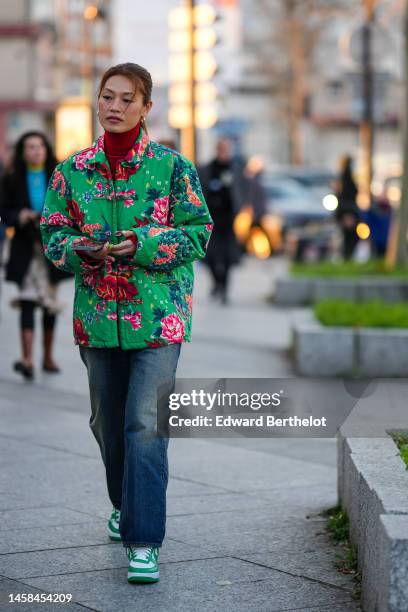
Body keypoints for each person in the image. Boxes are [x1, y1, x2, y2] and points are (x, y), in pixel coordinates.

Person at [40, 62, 213, 584]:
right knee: (109, 428)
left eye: (126, 99)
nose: (114, 107)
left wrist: (145, 244)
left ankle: (144, 541)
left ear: (146, 108)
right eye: (107, 97)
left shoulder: (172, 168)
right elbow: (52, 234)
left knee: (145, 427)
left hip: (159, 319)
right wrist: (81, 249)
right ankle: (123, 503)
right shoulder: (72, 170)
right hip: (96, 320)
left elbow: (198, 233)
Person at [0, 132, 70, 379]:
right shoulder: (11, 178)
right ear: (22, 151)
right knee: (27, 300)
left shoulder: (59, 176)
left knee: (49, 304)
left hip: (50, 247)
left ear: (46, 149)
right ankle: (27, 358)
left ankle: (48, 357)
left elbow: (69, 209)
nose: (36, 151)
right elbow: (4, 212)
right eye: (30, 147)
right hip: (24, 248)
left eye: (39, 146)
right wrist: (21, 215)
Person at [199, 138, 246, 303]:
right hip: (210, 219)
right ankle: (217, 282)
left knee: (227, 257)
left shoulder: (235, 169)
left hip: (228, 220)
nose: (225, 153)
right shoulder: (207, 169)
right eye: (222, 149)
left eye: (227, 149)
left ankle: (224, 289)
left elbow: (242, 191)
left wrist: (241, 210)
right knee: (209, 256)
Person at [334, 155, 360, 260]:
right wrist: (347, 214)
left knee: (348, 237)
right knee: (349, 237)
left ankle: (347, 257)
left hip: (347, 211)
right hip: (348, 212)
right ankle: (347, 257)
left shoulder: (342, 177)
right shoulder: (346, 177)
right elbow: (345, 196)